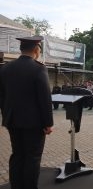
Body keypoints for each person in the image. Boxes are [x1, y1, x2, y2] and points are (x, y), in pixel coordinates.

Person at [0, 36, 54, 189]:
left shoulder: (5, 67)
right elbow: (44, 98)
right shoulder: (38, 68)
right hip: (34, 123)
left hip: (12, 120)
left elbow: (2, 96)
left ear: (21, 49)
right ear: (37, 50)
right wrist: (48, 123)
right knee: (32, 158)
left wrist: (6, 116)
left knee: (17, 155)